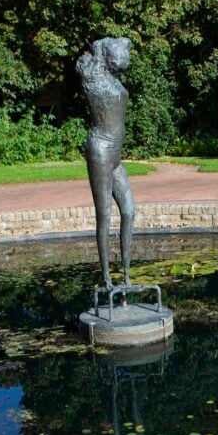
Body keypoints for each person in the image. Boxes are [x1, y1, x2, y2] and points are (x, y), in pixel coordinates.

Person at [77, 37, 135, 290]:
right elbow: (88, 65)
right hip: (100, 149)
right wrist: (99, 47)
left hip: (115, 155)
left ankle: (126, 276)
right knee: (104, 216)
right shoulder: (94, 78)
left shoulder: (113, 79)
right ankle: (106, 279)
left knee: (129, 212)